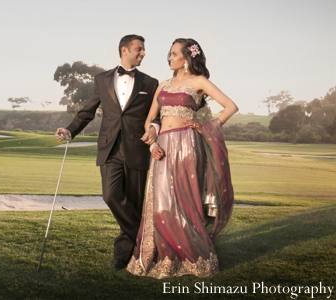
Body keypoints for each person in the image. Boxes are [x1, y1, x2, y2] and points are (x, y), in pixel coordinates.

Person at [126, 38, 238, 278]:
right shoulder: (163, 85)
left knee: (186, 202)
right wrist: (152, 143)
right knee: (161, 203)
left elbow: (230, 107)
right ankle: (161, 255)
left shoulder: (199, 81)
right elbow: (149, 121)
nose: (169, 57)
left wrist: (205, 126)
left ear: (187, 57)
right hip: (163, 145)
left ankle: (193, 256)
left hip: (187, 144)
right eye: (169, 53)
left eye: (174, 53)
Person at [56, 34, 160, 271]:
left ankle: (122, 257)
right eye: (139, 49)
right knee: (111, 196)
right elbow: (87, 111)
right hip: (110, 148)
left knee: (133, 202)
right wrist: (70, 130)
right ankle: (148, 240)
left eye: (143, 50)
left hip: (138, 148)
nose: (143, 53)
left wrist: (154, 128)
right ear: (125, 50)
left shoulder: (151, 83)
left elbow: (157, 115)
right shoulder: (101, 79)